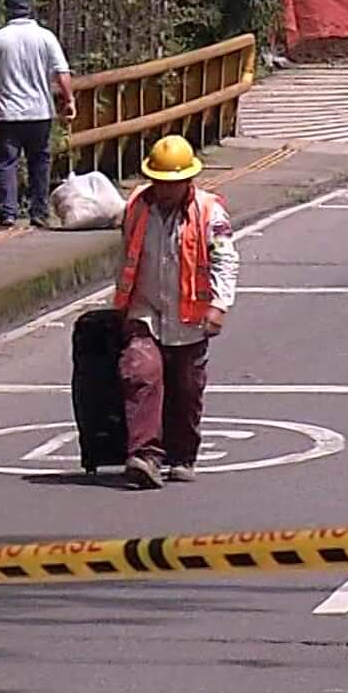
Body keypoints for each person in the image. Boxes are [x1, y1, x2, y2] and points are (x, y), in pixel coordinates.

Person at [113, 134, 240, 490]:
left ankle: (183, 456)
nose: (164, 189)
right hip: (145, 310)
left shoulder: (209, 212)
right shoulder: (138, 206)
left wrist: (219, 305)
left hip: (189, 319)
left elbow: (225, 259)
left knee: (186, 389)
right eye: (159, 181)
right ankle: (145, 456)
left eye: (172, 183)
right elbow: (125, 255)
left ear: (189, 180)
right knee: (141, 372)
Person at [0, 0, 76, 229]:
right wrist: (69, 99)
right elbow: (62, 72)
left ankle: (7, 213)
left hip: (6, 113)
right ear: (30, 9)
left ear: (7, 11)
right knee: (39, 162)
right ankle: (38, 212)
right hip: (39, 111)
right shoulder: (45, 37)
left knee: (6, 162)